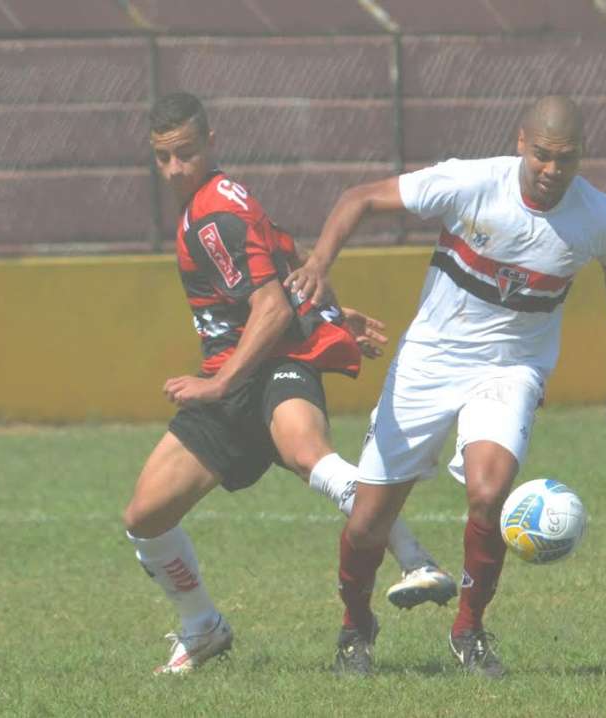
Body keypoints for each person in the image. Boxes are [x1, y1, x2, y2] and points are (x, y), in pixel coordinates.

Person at [286, 95, 606, 677]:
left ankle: (469, 631)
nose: (551, 171)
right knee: (367, 523)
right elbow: (358, 198)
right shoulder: (468, 183)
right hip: (429, 360)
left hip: (512, 367)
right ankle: (354, 628)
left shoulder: (600, 217)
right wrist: (319, 262)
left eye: (566, 160)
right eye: (542, 155)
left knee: (489, 493)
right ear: (520, 143)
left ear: (582, 157)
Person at [124, 92, 455, 676]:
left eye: (186, 153)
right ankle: (203, 628)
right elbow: (280, 259)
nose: (175, 168)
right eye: (163, 158)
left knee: (310, 455)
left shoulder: (214, 214)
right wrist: (327, 308)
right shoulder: (219, 198)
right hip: (237, 375)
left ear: (210, 143)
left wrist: (219, 382)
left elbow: (270, 309)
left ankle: (416, 559)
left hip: (270, 361)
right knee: (145, 518)